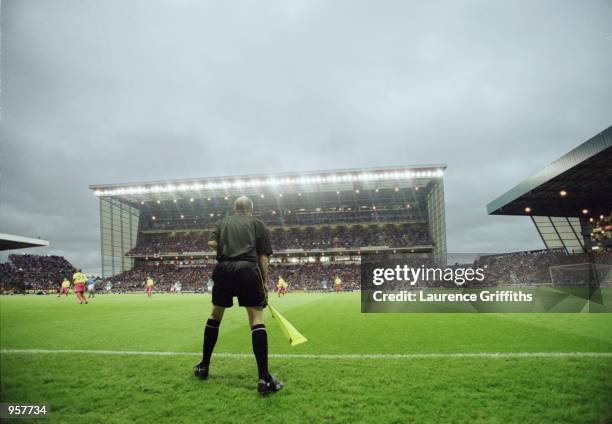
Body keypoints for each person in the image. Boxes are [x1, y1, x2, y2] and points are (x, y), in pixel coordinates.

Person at [193, 196, 282, 395]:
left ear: (235, 208)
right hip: (247, 269)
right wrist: (265, 282)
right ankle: (263, 378)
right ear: (250, 208)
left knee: (215, 314)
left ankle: (204, 366)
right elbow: (263, 256)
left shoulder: (222, 222)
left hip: (223, 269)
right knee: (256, 317)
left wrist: (225, 248)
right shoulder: (257, 223)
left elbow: (211, 242)